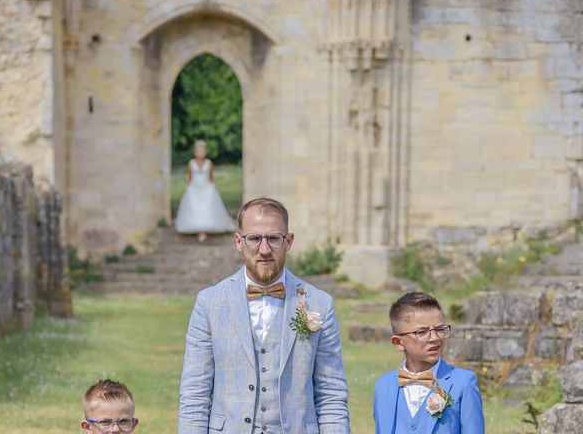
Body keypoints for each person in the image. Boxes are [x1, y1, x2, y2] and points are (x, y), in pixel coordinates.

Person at [178, 197, 351, 433]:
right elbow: (194, 395)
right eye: (254, 239)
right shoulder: (209, 303)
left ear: (288, 241)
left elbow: (331, 395)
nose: (264, 249)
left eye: (273, 238)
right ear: (239, 241)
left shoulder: (320, 303)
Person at [373, 292, 485, 434]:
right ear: (398, 342)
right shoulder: (384, 385)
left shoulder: (464, 383)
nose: (434, 338)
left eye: (440, 329)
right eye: (422, 332)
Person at [174, 140, 235, 242]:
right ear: (195, 152)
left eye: (202, 151)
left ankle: (204, 230)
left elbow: (211, 178)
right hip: (194, 190)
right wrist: (190, 189)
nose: (200, 153)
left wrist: (211, 189)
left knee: (207, 208)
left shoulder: (209, 163)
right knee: (195, 209)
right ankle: (199, 230)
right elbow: (189, 177)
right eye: (198, 151)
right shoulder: (191, 163)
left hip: (207, 189)